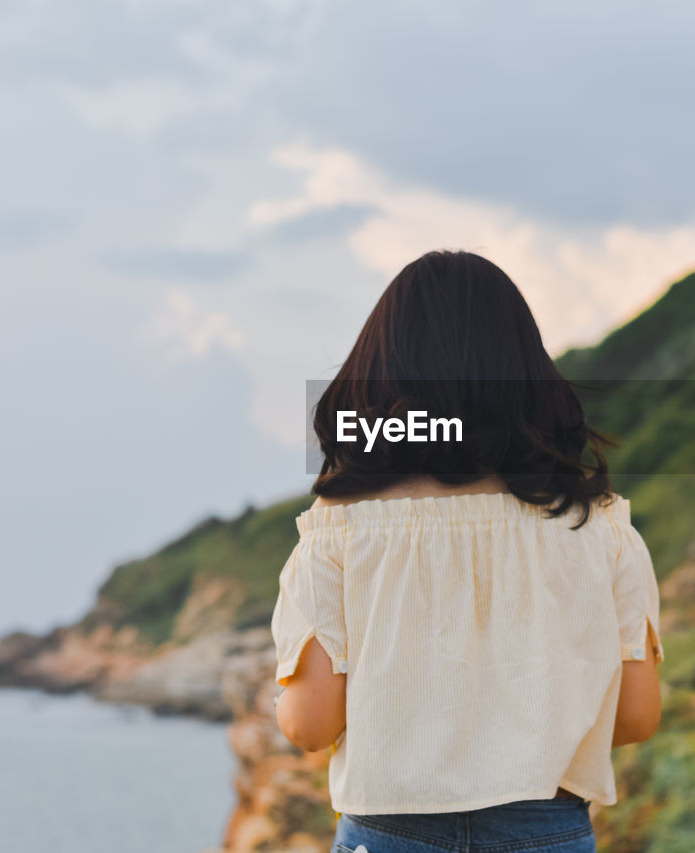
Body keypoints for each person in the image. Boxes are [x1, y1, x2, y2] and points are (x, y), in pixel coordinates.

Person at [272, 249, 664, 853]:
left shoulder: (340, 531)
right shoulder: (603, 528)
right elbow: (635, 719)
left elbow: (310, 724)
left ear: (377, 376)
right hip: (548, 831)